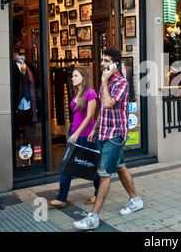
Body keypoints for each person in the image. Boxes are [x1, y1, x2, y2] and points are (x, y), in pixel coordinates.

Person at [73, 48, 143, 230]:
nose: (102, 63)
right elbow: (103, 111)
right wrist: (95, 128)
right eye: (102, 60)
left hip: (115, 135)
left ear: (115, 64)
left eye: (106, 60)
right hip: (104, 132)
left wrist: (104, 83)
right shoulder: (106, 81)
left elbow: (108, 103)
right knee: (120, 167)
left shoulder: (121, 83)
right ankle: (135, 200)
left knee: (104, 174)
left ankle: (93, 218)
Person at [49, 67, 99, 208]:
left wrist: (77, 134)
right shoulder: (77, 93)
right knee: (67, 165)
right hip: (74, 133)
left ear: (83, 77)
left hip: (87, 136)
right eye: (72, 76)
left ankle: (97, 194)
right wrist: (72, 132)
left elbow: (90, 116)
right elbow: (77, 116)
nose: (72, 78)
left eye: (75, 75)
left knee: (92, 166)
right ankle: (61, 198)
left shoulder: (91, 93)